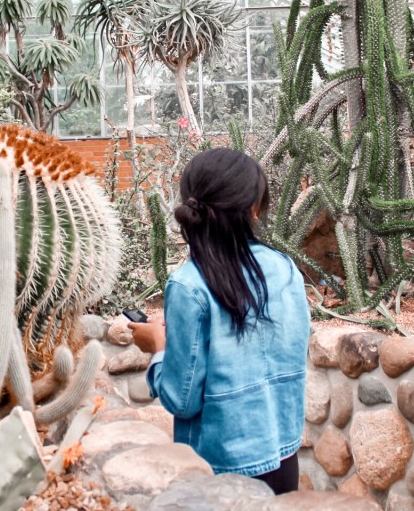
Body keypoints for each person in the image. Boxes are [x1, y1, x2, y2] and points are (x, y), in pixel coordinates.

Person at [128, 148, 311, 495]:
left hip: (218, 471)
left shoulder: (189, 285)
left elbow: (182, 400)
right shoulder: (284, 268)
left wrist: (158, 347)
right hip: (284, 458)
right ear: (254, 209)